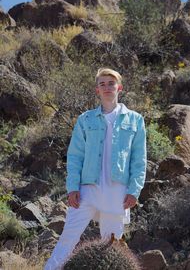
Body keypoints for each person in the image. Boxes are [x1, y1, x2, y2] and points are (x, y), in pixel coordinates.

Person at [44, 68, 147, 270]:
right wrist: (72, 187)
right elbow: (75, 156)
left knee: (111, 244)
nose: (107, 87)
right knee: (68, 237)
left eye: (111, 83)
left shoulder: (135, 120)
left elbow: (139, 159)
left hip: (117, 191)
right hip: (87, 190)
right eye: (102, 84)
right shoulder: (85, 119)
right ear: (97, 90)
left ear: (120, 87)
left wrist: (134, 190)